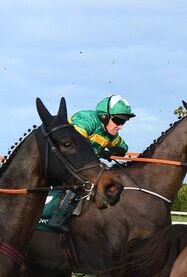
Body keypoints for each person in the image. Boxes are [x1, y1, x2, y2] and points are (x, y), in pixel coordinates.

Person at [46, 95, 135, 231]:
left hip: (77, 165)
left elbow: (123, 147)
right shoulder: (86, 120)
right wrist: (99, 151)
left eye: (124, 122)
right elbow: (76, 144)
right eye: (118, 120)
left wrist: (115, 150)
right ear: (104, 117)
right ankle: (56, 218)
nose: (120, 126)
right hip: (57, 159)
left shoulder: (110, 134)